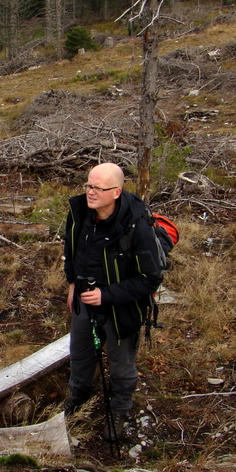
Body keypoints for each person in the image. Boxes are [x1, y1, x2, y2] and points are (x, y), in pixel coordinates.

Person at [62, 162, 164, 440]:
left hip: (122, 308)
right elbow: (71, 250)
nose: (89, 192)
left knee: (120, 365)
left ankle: (119, 409)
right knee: (81, 357)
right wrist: (73, 283)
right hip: (85, 298)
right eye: (88, 185)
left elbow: (150, 279)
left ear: (116, 192)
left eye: (97, 188)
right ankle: (78, 400)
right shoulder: (80, 212)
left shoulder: (137, 226)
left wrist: (106, 295)